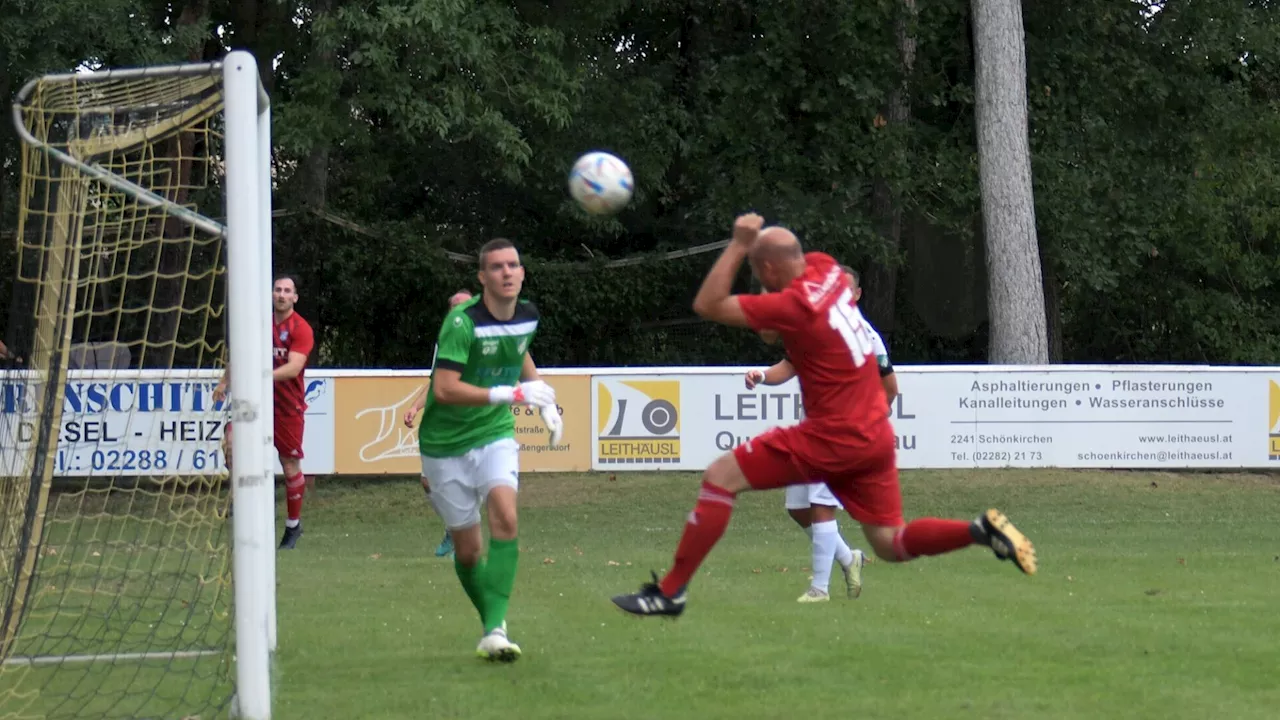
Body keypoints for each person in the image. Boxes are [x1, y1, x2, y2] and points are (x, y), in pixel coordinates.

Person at [611, 214, 1036, 618]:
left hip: (834, 434)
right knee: (890, 543)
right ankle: (978, 530)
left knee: (722, 476)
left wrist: (739, 245)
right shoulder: (827, 270)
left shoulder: (797, 307)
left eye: (759, 275)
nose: (758, 283)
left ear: (770, 269)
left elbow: (709, 303)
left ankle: (670, 592)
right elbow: (772, 329)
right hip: (875, 435)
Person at [417, 238, 563, 662]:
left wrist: (546, 402)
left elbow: (518, 352)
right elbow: (444, 390)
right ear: (482, 278)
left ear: (522, 272)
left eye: (513, 265)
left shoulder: (528, 315)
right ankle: (493, 625)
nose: (506, 272)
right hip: (444, 445)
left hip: (494, 433)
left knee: (506, 513)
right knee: (468, 551)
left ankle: (495, 628)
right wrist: (513, 393)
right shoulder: (461, 323)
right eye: (496, 267)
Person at [746, 266, 897, 603]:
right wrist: (760, 375)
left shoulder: (867, 338)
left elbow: (890, 389)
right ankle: (848, 557)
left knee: (820, 505)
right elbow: (787, 368)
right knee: (797, 508)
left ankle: (819, 588)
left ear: (856, 295)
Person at [215, 274, 316, 550]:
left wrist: (261, 376)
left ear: (295, 297)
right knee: (231, 443)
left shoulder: (301, 328)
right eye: (277, 290)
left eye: (287, 291)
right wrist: (226, 380)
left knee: (290, 465)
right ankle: (240, 501)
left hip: (287, 406)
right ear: (272, 294)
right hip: (257, 403)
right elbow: (242, 354)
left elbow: (294, 367)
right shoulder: (260, 324)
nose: (281, 295)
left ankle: (293, 526)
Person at [404, 288, 475, 558]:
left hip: (471, 422)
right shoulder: (445, 343)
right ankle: (452, 529)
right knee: (427, 481)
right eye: (454, 307)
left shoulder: (485, 343)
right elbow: (436, 382)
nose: (460, 311)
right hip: (442, 421)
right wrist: (414, 406)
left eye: (465, 306)